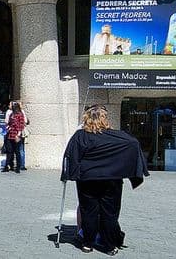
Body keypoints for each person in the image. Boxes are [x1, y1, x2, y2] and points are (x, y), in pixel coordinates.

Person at [61, 103, 148, 255]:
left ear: (86, 119)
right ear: (104, 119)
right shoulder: (117, 136)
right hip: (111, 180)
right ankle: (109, 245)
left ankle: (88, 243)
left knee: (89, 211)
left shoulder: (80, 136)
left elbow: (72, 155)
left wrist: (71, 174)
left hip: (88, 180)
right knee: (110, 213)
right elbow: (133, 143)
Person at [4, 100, 26, 172]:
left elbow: (21, 125)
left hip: (16, 134)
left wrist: (19, 134)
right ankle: (7, 166)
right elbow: (9, 123)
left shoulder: (20, 114)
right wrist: (8, 127)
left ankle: (18, 167)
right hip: (10, 134)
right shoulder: (11, 114)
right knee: (9, 151)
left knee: (17, 151)